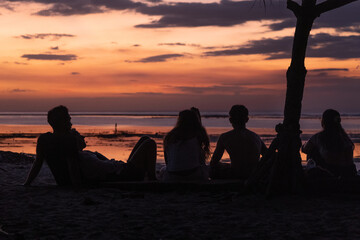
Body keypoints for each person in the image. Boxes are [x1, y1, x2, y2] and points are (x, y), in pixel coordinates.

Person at [24, 105, 157, 187]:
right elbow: (72, 167)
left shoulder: (47, 139)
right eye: (69, 120)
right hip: (121, 174)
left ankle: (149, 175)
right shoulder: (68, 142)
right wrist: (77, 187)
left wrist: (27, 183)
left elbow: (38, 162)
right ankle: (151, 178)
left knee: (144, 139)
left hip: (118, 169)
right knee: (149, 143)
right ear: (63, 122)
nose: (71, 123)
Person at [210, 105, 267, 180]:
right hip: (253, 175)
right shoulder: (256, 137)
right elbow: (268, 157)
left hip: (236, 175)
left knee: (212, 169)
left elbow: (214, 162)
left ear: (230, 120)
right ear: (247, 119)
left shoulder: (225, 137)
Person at [302, 109, 356, 178]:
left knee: (313, 151)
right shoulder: (345, 138)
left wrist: (304, 146)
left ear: (324, 122)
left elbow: (305, 149)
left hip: (331, 171)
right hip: (348, 172)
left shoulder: (319, 137)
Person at [161, 109, 210, 181]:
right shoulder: (198, 134)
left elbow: (167, 161)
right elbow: (202, 159)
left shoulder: (170, 136)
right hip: (193, 175)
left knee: (163, 169)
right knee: (207, 168)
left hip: (172, 176)